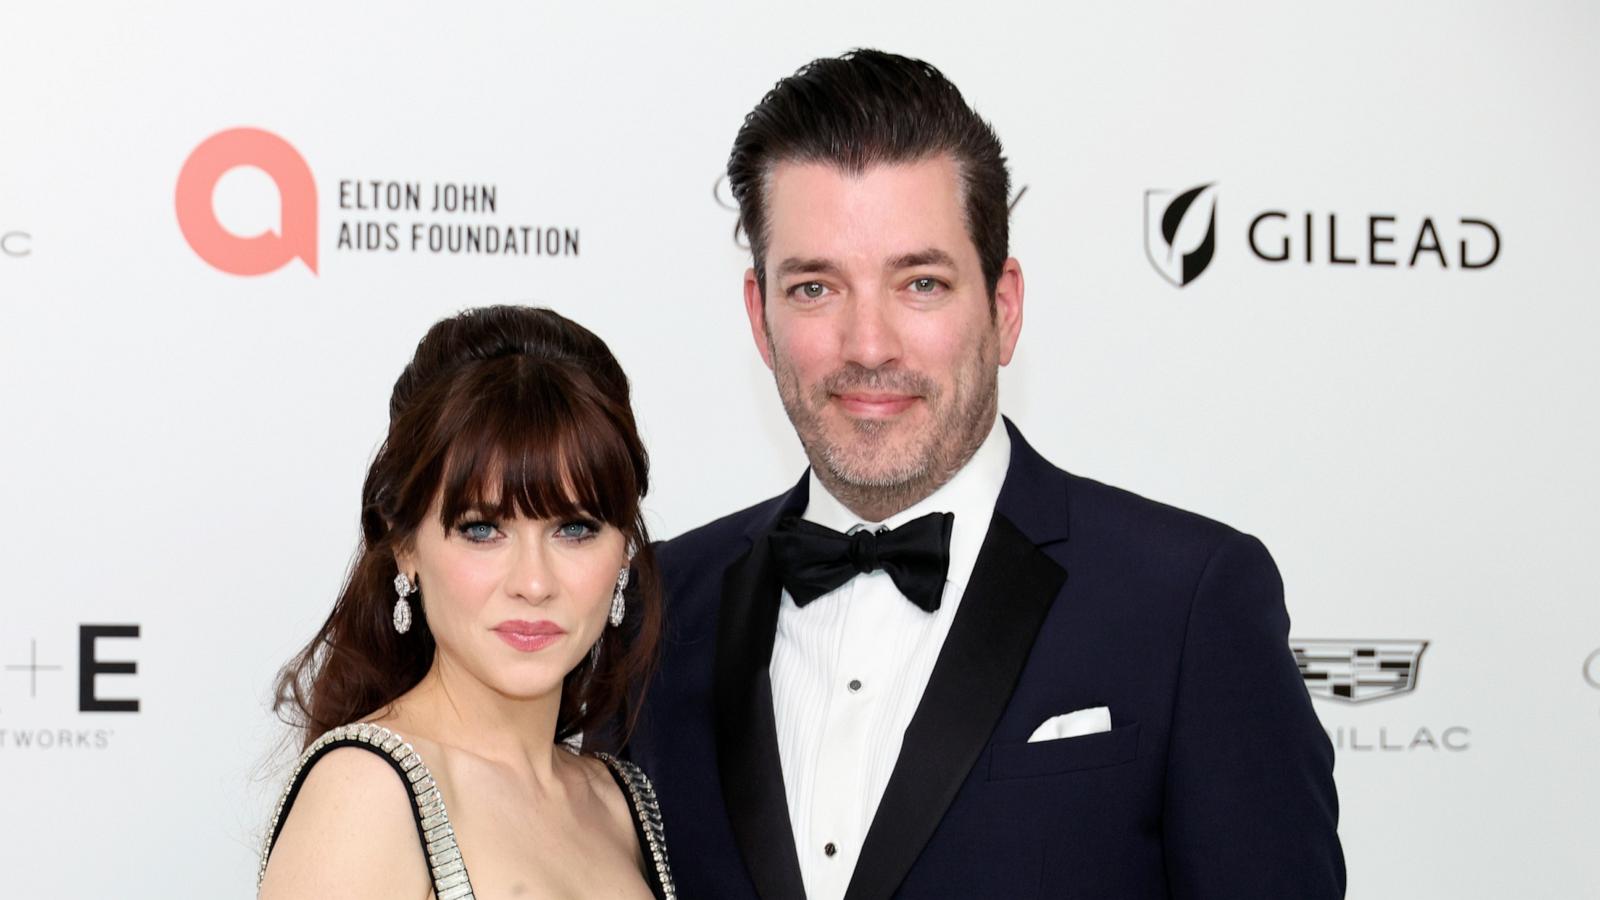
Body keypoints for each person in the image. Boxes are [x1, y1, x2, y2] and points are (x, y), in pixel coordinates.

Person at [625, 50, 1345, 899]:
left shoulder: (1185, 602)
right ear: (761, 316)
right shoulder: (654, 608)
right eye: (816, 288)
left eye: (920, 283)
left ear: (1003, 310)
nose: (868, 345)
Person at [258, 306, 675, 899]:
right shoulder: (365, 794)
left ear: (624, 550)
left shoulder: (620, 802)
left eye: (575, 529)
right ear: (404, 546)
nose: (533, 583)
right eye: (483, 530)